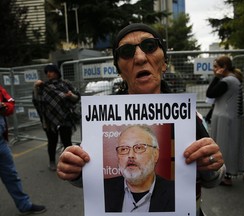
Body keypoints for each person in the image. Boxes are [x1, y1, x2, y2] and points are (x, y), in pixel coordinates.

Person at [57, 23, 225, 216]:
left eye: (150, 46)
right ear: (119, 71)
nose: (139, 57)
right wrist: (74, 170)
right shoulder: (101, 119)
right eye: (127, 51)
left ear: (164, 63)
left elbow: (214, 179)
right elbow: (89, 177)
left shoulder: (192, 118)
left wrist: (211, 165)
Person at [104, 125, 174, 212]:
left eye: (139, 147)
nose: (130, 156)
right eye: (124, 149)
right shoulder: (103, 189)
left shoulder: (175, 192)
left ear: (155, 154)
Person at [0, 85, 46, 214]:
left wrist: (3, 107)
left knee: (11, 175)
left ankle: (24, 205)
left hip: (1, 143)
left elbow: (10, 105)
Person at [206, 55, 244, 186]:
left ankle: (227, 177)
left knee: (225, 147)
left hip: (225, 119)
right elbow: (222, 100)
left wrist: (216, 77)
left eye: (215, 67)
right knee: (236, 145)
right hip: (232, 118)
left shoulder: (227, 81)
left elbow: (210, 93)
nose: (214, 70)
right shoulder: (234, 79)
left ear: (223, 67)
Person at [32, 64, 80, 171]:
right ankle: (52, 161)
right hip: (50, 119)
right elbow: (36, 101)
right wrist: (35, 87)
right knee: (52, 141)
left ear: (57, 72)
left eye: (51, 71)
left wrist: (70, 95)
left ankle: (69, 161)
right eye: (47, 72)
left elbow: (76, 98)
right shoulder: (44, 86)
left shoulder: (66, 84)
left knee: (67, 141)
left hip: (66, 117)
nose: (48, 74)